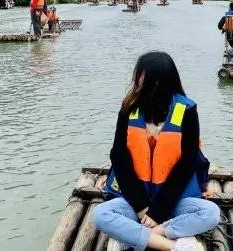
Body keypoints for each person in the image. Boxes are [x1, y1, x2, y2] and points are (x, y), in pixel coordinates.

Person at [93, 52, 220, 251]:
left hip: (174, 201)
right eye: (138, 79)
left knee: (211, 213)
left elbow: (187, 164)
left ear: (161, 83)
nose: (137, 85)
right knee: (101, 214)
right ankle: (173, 246)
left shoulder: (186, 111)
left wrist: (158, 213)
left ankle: (138, 235)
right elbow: (119, 157)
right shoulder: (128, 110)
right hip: (136, 202)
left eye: (143, 81)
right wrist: (142, 207)